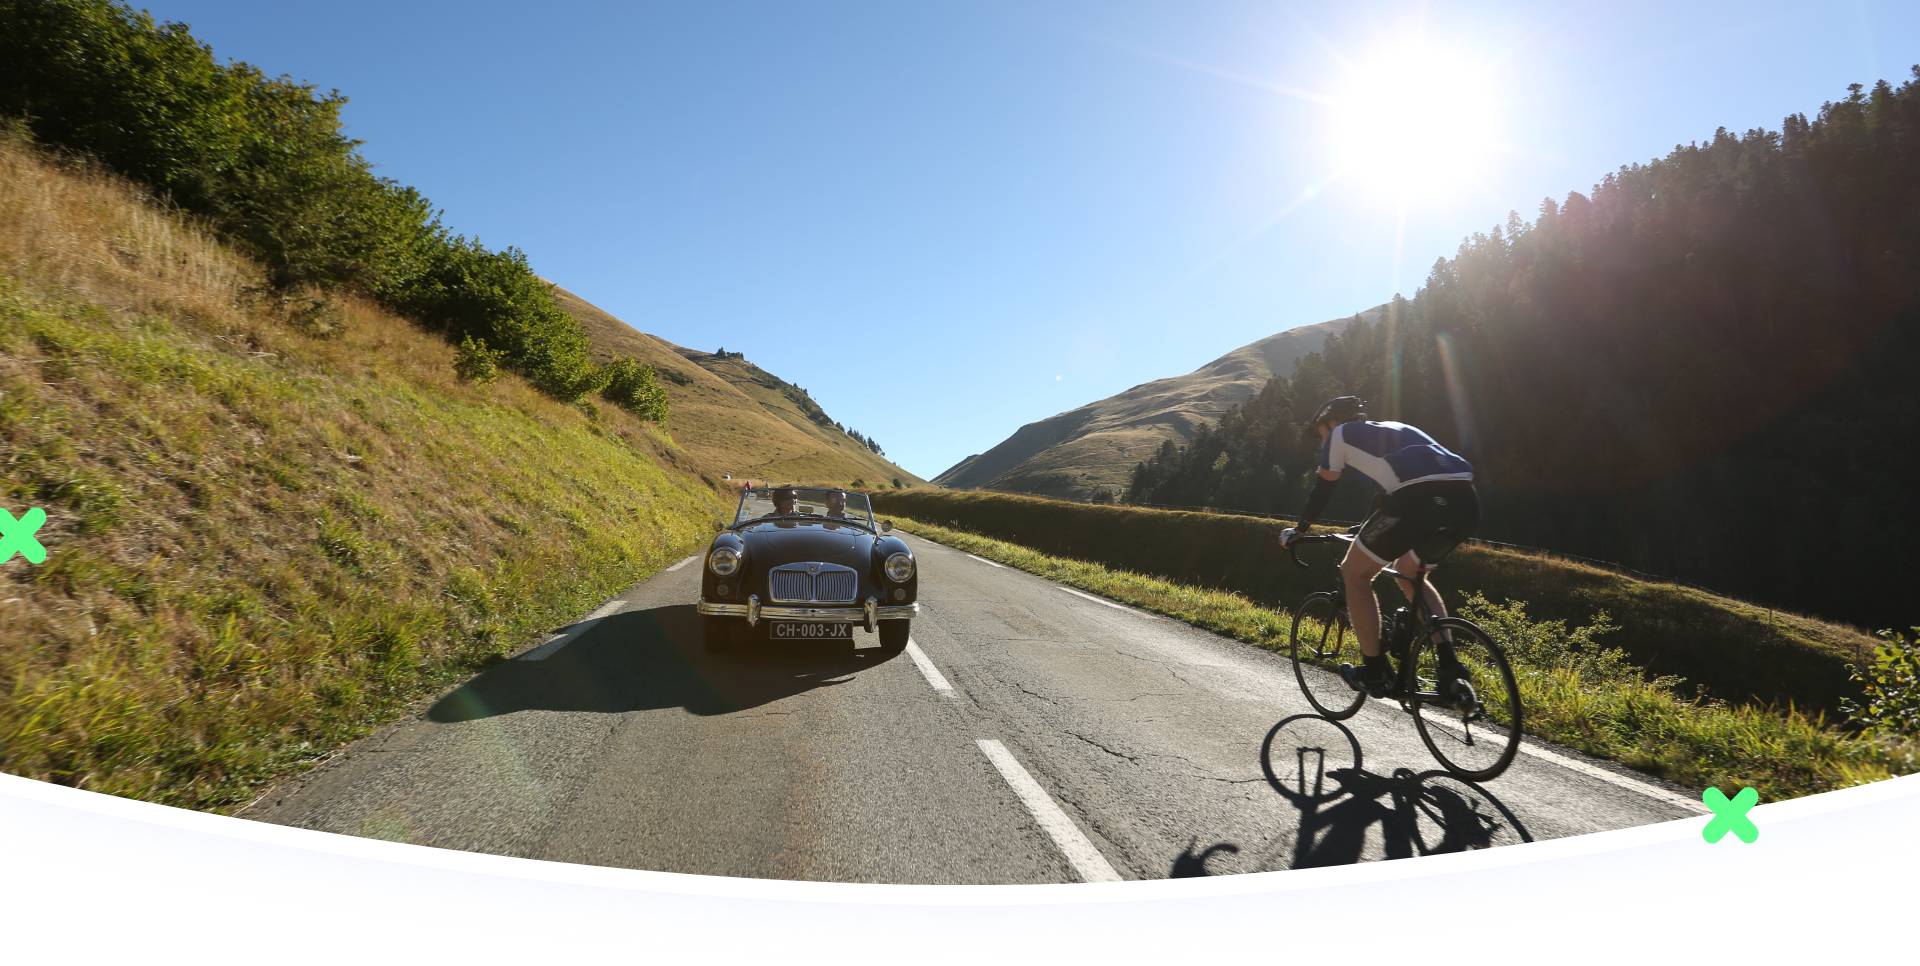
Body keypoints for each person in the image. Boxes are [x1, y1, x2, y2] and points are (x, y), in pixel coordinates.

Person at [1279, 396, 1479, 698]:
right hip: (1464, 502)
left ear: (1329, 422)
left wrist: (1300, 530)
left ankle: (1373, 670)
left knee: (1354, 573)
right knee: (1409, 572)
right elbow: (1389, 494)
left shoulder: (1338, 434)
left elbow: (1323, 488)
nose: (1322, 439)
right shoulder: (1397, 429)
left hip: (1417, 501)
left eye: (1320, 431)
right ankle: (1451, 668)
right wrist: (1366, 528)